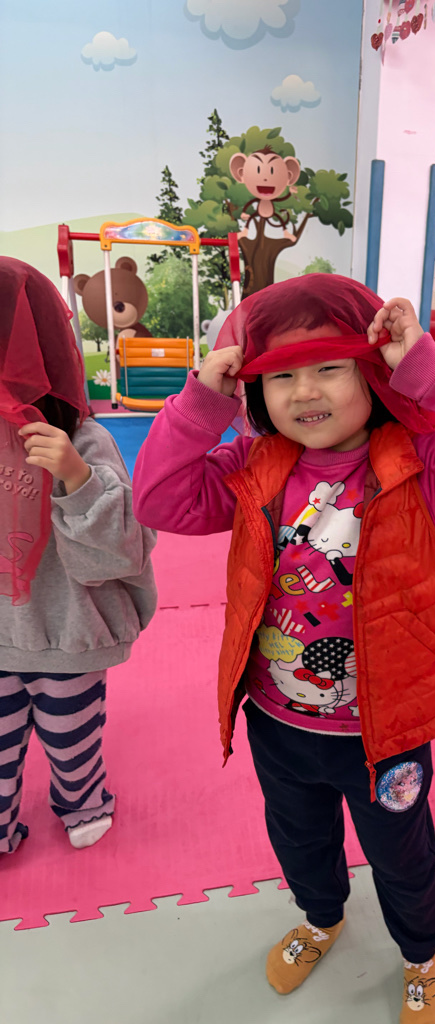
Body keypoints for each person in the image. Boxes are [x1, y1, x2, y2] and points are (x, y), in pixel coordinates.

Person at [132, 274, 435, 1023]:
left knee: (401, 854)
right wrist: (201, 404)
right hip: (278, 719)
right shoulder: (252, 469)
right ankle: (321, 917)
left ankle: (420, 953)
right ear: (255, 392)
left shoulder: (422, 467)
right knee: (297, 839)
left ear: (371, 373)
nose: (304, 391)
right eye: (280, 376)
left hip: (385, 732)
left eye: (328, 367)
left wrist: (425, 365)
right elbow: (159, 500)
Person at [0, 257, 157, 855]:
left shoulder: (84, 439)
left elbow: (122, 552)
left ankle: (83, 801)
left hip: (68, 634)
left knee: (73, 740)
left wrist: (76, 477)